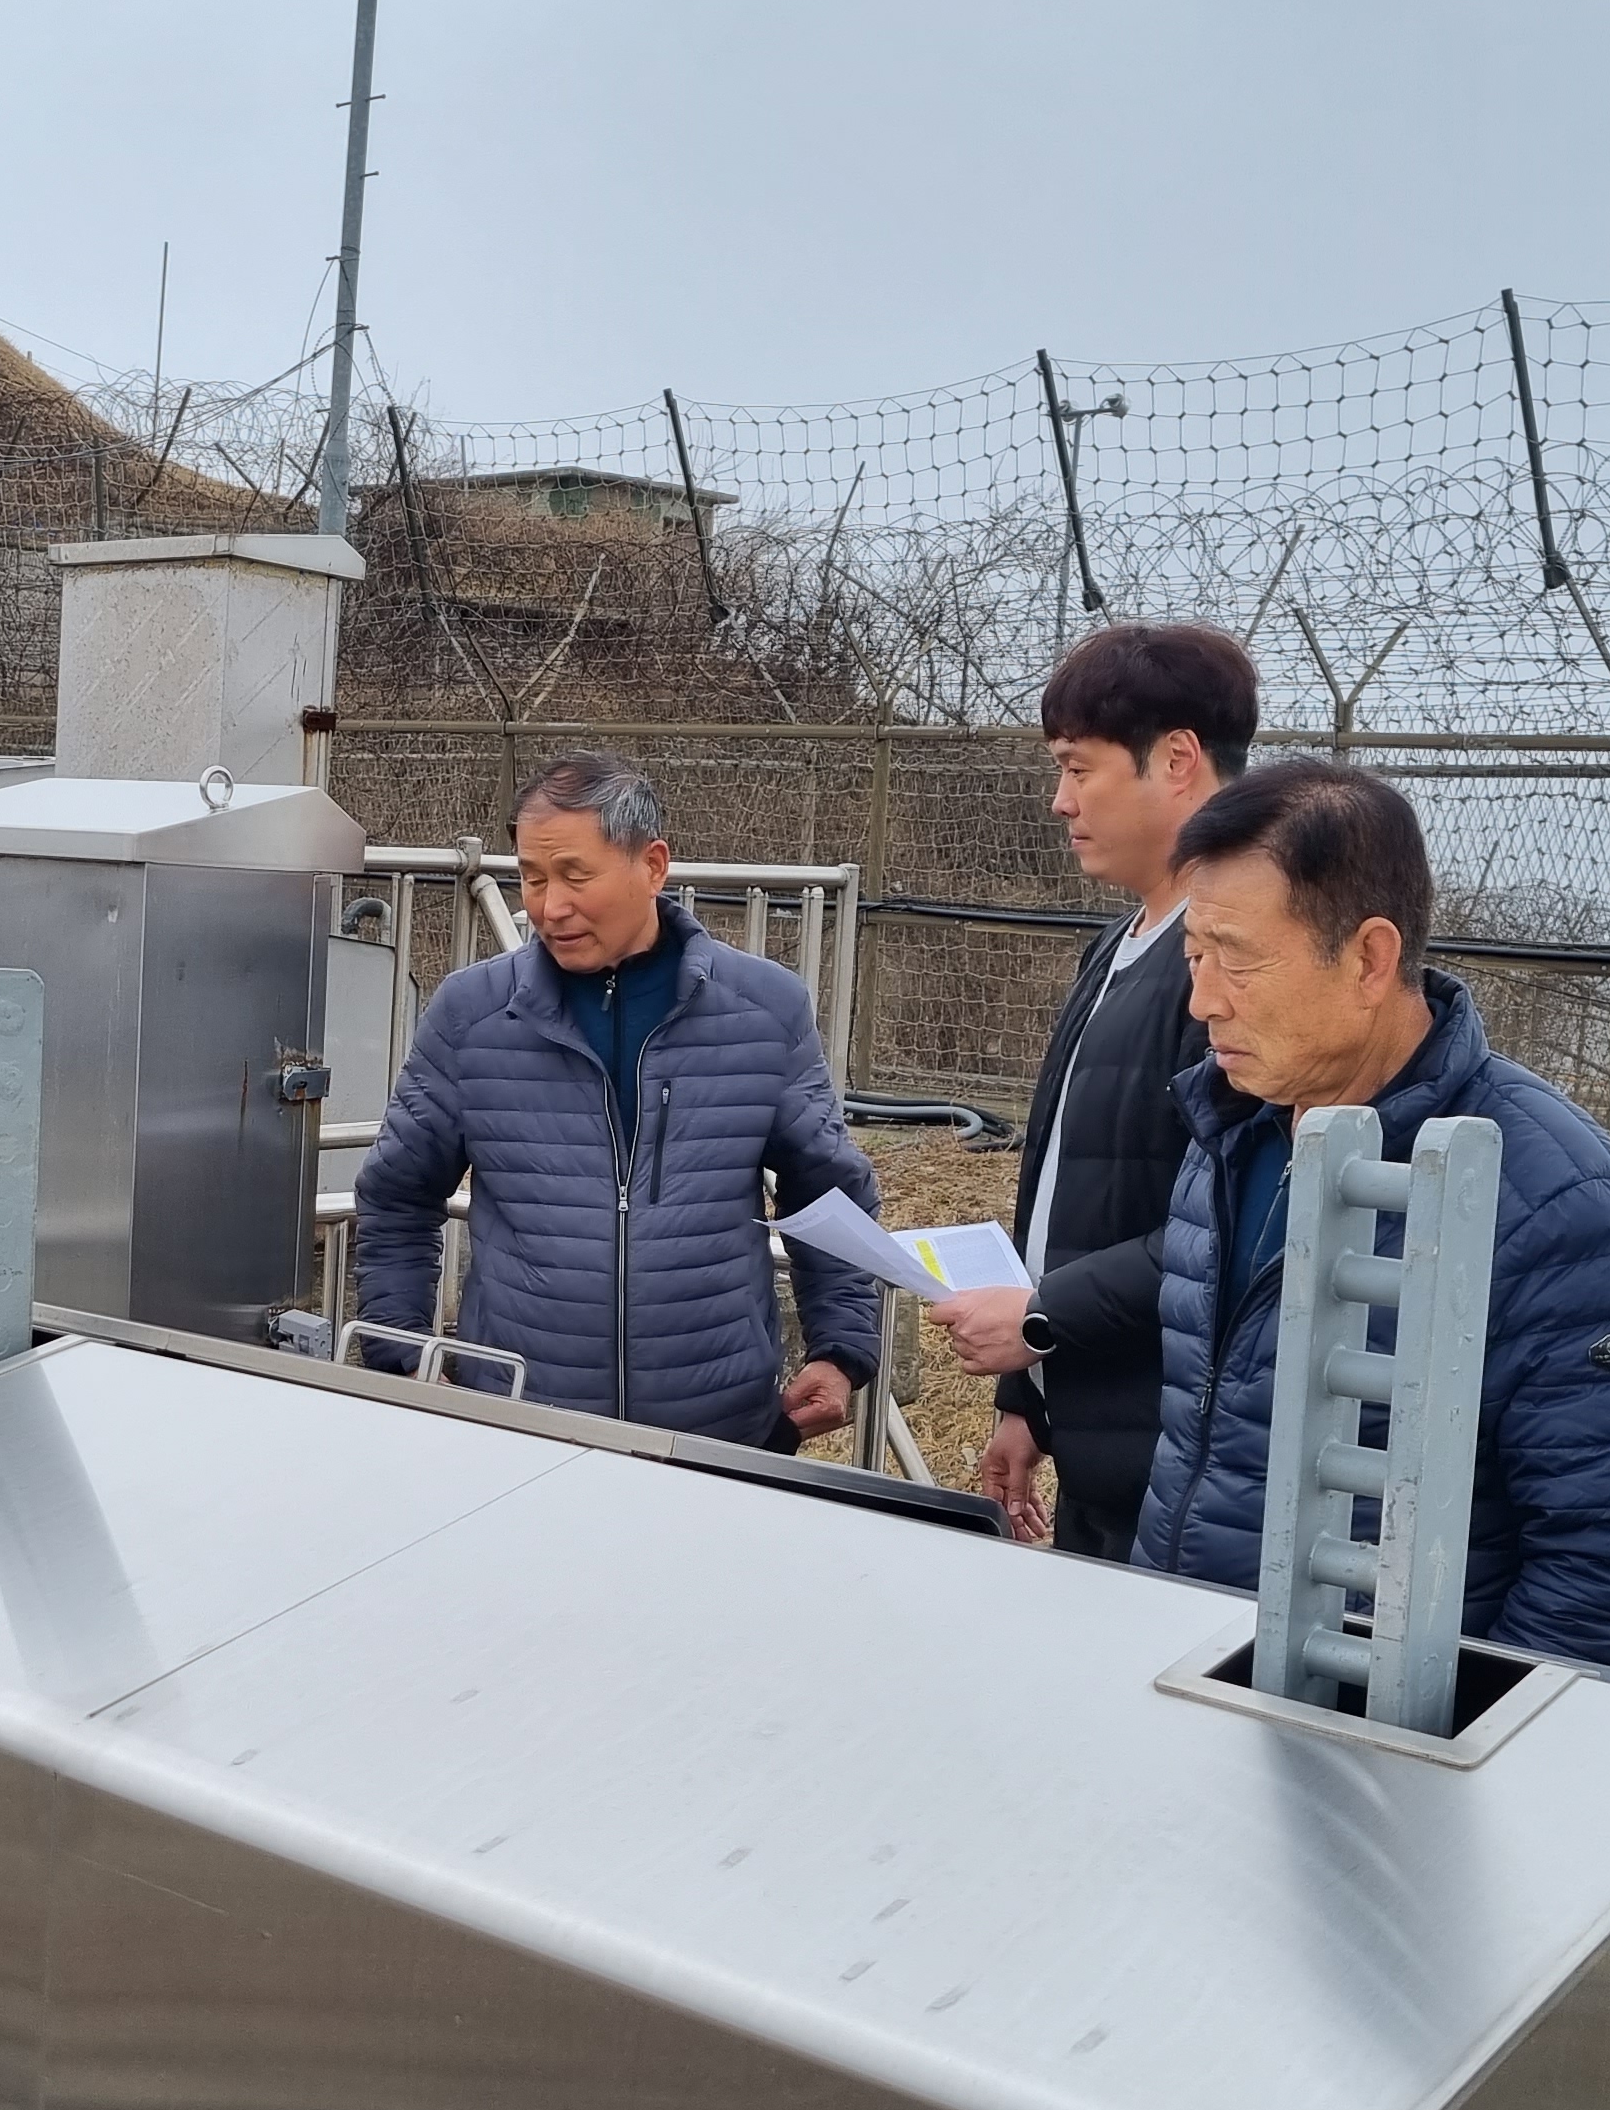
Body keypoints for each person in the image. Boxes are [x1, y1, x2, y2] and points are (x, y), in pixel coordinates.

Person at [1132, 758, 1610, 1668]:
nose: (1204, 1001)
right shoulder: (1228, 1128)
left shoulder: (1549, 1195)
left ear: (1369, 958)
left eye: (1238, 959)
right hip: (1190, 1667)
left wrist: (1432, 1739)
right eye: (1196, 955)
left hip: (1367, 1715)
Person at [352, 751, 883, 1446]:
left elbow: (829, 1194)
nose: (550, 906)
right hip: (517, 1428)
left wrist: (840, 1351)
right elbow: (398, 1196)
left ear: (653, 866)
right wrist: (403, 1355)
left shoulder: (763, 1008)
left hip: (718, 1432)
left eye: (576, 876)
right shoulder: (472, 1015)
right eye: (532, 878)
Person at [921, 622, 1252, 1558]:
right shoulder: (1117, 946)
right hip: (1098, 1438)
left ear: (1177, 760)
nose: (1060, 800)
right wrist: (1028, 1401)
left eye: (1079, 767)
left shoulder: (1226, 970)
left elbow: (1228, 1224)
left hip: (1179, 1466)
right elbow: (1077, 1190)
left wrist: (1041, 1320)